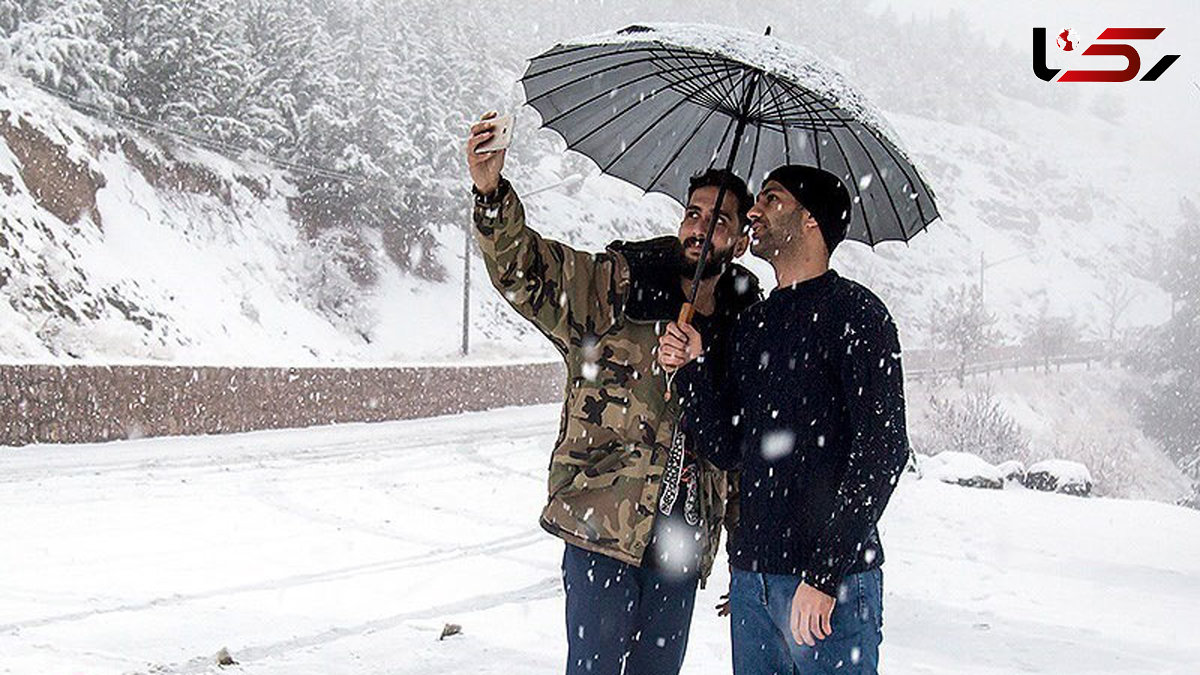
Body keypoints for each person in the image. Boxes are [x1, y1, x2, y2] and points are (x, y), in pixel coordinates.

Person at [465, 112, 761, 675]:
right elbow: (526, 270)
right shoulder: (614, 288)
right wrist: (490, 191)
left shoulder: (748, 329)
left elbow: (746, 447)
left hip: (683, 537)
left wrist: (745, 556)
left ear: (742, 240)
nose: (700, 228)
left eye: (719, 221)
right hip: (602, 521)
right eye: (693, 214)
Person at [657, 165, 909, 675]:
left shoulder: (858, 315)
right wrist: (692, 370)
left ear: (810, 220)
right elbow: (729, 447)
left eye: (771, 200)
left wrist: (823, 574)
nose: (753, 211)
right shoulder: (754, 323)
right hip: (754, 580)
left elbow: (883, 452)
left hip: (829, 588)